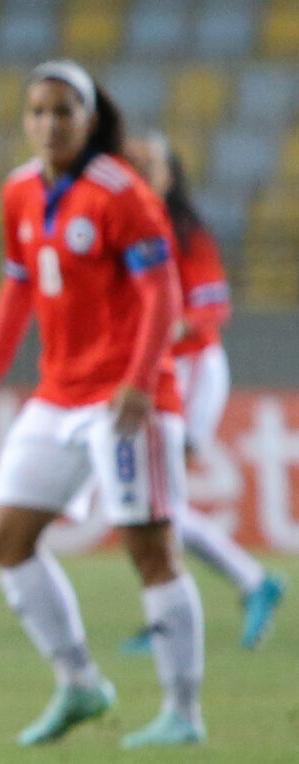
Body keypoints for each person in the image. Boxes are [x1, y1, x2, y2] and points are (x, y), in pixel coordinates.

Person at [0, 60, 206, 749]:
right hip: (57, 392)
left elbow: (164, 296)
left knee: (150, 549)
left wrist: (139, 378)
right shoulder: (18, 191)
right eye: (37, 110)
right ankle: (80, 684)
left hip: (129, 397)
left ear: (89, 119)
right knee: (7, 538)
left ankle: (183, 710)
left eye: (62, 110)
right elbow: (17, 285)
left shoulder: (119, 191)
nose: (48, 122)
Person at [117, 131, 285, 653]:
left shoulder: (185, 233)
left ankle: (236, 589)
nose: (142, 170)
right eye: (134, 162)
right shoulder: (120, 229)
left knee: (158, 501)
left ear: (172, 175)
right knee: (155, 501)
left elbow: (211, 311)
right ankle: (233, 589)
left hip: (190, 374)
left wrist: (160, 328)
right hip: (154, 374)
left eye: (153, 163)